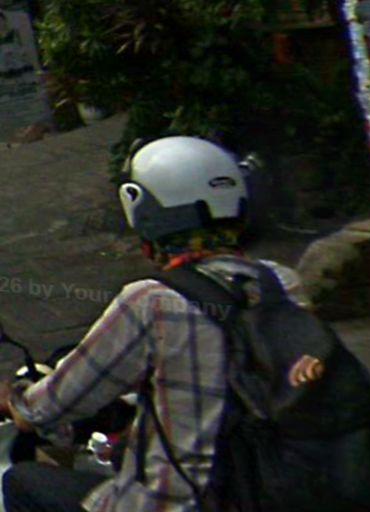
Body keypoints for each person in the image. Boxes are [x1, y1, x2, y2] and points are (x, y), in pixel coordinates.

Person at [0, 136, 309, 512]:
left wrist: (15, 400)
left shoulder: (152, 302)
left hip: (177, 504)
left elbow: (45, 408)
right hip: (273, 489)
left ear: (144, 212)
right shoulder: (282, 283)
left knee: (21, 482)